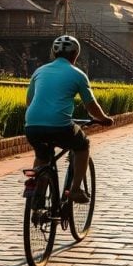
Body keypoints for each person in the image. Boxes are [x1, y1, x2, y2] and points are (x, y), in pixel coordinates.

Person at [25, 35, 114, 203]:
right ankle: (74, 190)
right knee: (82, 145)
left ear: (53, 53)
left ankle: (38, 195)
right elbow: (91, 106)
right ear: (76, 55)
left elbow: (29, 101)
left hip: (32, 126)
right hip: (60, 126)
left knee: (43, 155)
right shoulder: (78, 74)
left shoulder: (39, 71)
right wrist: (104, 118)